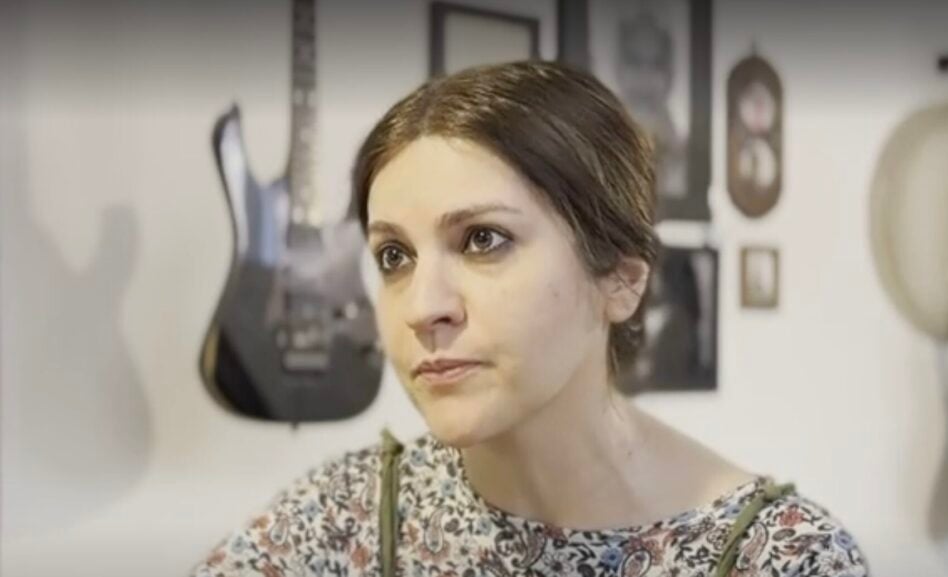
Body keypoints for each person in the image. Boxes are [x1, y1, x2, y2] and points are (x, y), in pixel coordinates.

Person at [191, 61, 869, 577]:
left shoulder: (777, 556)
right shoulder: (346, 519)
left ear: (621, 279)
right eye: (394, 255)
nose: (423, 307)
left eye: (483, 239)